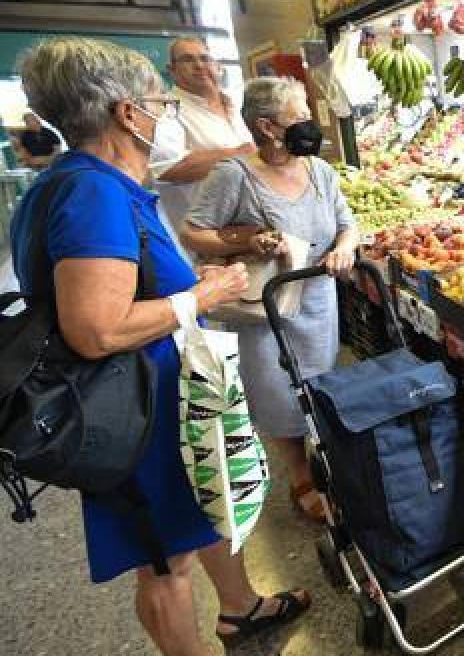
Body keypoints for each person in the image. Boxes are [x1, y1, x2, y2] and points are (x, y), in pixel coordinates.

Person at [9, 37, 310, 655]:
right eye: (157, 103)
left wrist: (189, 283)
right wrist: (202, 296)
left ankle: (241, 608)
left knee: (196, 509)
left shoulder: (72, 182)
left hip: (157, 400)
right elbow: (95, 329)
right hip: (131, 411)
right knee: (163, 563)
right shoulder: (94, 192)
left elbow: (121, 283)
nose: (164, 115)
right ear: (125, 112)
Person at [181, 76, 358, 523]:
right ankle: (300, 478)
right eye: (298, 117)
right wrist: (249, 238)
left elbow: (347, 223)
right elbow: (193, 231)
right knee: (278, 395)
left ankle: (327, 462)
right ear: (267, 127)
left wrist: (344, 248)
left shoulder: (319, 170)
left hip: (317, 301)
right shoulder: (233, 176)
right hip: (265, 312)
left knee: (316, 385)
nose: (309, 125)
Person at [155, 36, 256, 236]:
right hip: (203, 240)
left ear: (217, 66)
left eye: (205, 58)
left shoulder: (236, 104)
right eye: (187, 60)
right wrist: (240, 154)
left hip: (250, 230)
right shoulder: (165, 109)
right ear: (171, 70)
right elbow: (168, 168)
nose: (199, 65)